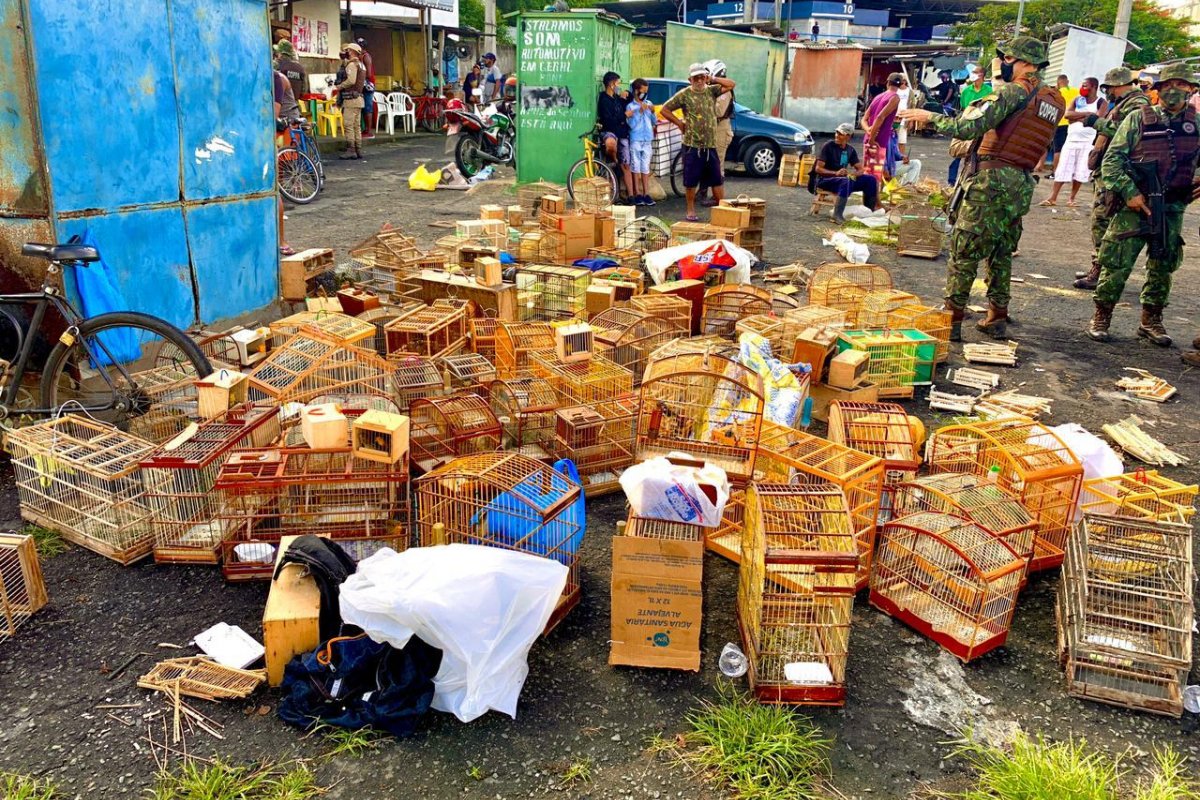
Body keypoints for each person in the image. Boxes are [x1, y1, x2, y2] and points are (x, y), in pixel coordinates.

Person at [900, 36, 1064, 341]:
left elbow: (967, 127)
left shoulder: (1014, 91)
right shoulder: (1052, 100)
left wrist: (928, 117)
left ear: (1024, 62)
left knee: (965, 250)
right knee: (1001, 250)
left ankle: (951, 321)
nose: (1003, 63)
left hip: (991, 182)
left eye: (1008, 58)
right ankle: (997, 316)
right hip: (1020, 183)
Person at [1086, 63, 1200, 346]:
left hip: (1172, 206)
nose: (1174, 90)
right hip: (1134, 205)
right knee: (1116, 262)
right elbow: (1112, 160)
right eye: (1168, 85)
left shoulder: (1196, 125)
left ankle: (1151, 320)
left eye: (1181, 85)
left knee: (1163, 264)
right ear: (1158, 89)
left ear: (1191, 90)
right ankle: (1102, 315)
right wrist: (1130, 193)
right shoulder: (1138, 118)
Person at [1070, 68, 1150, 290]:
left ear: (1118, 85)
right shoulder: (1127, 103)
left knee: (1102, 221)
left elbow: (1128, 133)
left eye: (1109, 88)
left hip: (1119, 172)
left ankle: (1100, 270)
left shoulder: (1137, 103)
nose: (1109, 93)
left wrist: (1097, 122)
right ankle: (1099, 266)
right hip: (1109, 171)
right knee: (1101, 220)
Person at [658, 63, 736, 222]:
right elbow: (665, 109)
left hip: (710, 145)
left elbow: (731, 84)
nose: (700, 80)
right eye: (696, 78)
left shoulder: (711, 90)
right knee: (691, 181)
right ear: (690, 79)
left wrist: (712, 78)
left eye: (702, 77)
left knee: (716, 179)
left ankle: (722, 210)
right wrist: (679, 124)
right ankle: (690, 210)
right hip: (692, 145)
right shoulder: (684, 94)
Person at [1041, 77, 1106, 208]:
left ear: (1094, 87)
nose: (1083, 88)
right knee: (1062, 168)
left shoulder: (1101, 102)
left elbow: (1099, 119)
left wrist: (1077, 117)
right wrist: (1087, 115)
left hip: (1087, 142)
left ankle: (1072, 198)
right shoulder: (1077, 100)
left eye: (1085, 86)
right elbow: (1067, 115)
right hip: (1071, 140)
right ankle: (1053, 197)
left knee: (1081, 171)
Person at [813, 122, 880, 222]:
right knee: (845, 182)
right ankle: (837, 215)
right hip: (825, 179)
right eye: (836, 133)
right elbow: (818, 169)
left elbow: (861, 169)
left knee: (871, 179)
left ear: (848, 137)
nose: (837, 135)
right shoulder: (828, 146)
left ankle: (868, 211)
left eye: (840, 134)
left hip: (843, 180)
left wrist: (853, 174)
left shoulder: (850, 150)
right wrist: (835, 173)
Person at [948, 65, 991, 185]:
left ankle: (968, 181)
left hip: (981, 127)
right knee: (957, 153)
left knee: (974, 157)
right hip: (965, 125)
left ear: (982, 75)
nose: (972, 74)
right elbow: (963, 108)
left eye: (975, 72)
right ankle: (951, 181)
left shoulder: (989, 91)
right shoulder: (966, 91)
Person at [702, 59, 735, 206]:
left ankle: (718, 200)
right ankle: (704, 192)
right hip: (712, 129)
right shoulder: (714, 89)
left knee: (717, 165)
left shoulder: (723, 91)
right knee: (707, 163)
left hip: (721, 130)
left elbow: (719, 111)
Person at [597, 71, 633, 200]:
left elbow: (631, 99)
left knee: (626, 164)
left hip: (622, 133)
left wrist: (627, 95)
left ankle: (631, 195)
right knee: (612, 152)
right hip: (611, 132)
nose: (619, 85)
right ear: (611, 84)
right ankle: (613, 194)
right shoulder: (603, 99)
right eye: (618, 83)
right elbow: (608, 120)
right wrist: (624, 116)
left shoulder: (617, 98)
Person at [863, 73, 903, 175]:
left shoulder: (878, 97)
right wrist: (872, 139)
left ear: (887, 82)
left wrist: (868, 130)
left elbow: (864, 119)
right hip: (879, 141)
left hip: (868, 139)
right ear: (901, 85)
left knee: (869, 172)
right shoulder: (895, 98)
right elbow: (880, 117)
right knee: (879, 175)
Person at [625, 78, 656, 206]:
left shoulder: (648, 103)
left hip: (647, 139)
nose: (644, 94)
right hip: (636, 139)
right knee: (635, 166)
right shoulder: (630, 106)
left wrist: (652, 112)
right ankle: (637, 193)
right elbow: (631, 125)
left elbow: (653, 121)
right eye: (642, 91)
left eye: (646, 91)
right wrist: (639, 112)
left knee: (645, 167)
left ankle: (646, 193)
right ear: (636, 91)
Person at [1042, 75, 1078, 175]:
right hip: (1073, 123)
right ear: (1068, 81)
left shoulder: (1057, 93)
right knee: (1069, 148)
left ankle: (1055, 172)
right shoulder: (1076, 91)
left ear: (1058, 83)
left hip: (1060, 123)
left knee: (1058, 148)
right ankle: (1069, 172)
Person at [336, 42, 366, 159]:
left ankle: (351, 149)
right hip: (359, 98)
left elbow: (351, 80)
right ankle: (358, 148)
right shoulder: (361, 65)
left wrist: (340, 86)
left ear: (352, 51)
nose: (346, 52)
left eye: (348, 50)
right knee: (356, 126)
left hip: (351, 99)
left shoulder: (352, 65)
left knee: (348, 125)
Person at [274, 41, 309, 107]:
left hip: (279, 108)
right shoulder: (300, 68)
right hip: (294, 107)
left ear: (280, 53)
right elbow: (303, 91)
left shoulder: (275, 65)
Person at [357, 39, 376, 139]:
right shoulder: (360, 57)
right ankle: (365, 129)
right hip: (363, 84)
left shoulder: (366, 57)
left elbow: (368, 74)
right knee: (363, 107)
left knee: (368, 107)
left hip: (368, 84)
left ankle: (369, 130)